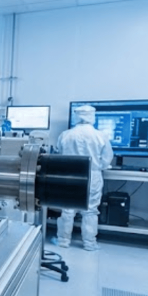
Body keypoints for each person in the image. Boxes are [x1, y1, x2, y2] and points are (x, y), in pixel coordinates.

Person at [55, 105, 114, 251]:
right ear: (92, 117)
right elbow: (107, 159)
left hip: (70, 176)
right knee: (91, 210)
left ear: (76, 116)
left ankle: (63, 241)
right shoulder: (100, 136)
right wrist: (100, 165)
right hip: (92, 175)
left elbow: (60, 153)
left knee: (67, 209)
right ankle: (89, 243)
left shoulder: (65, 135)